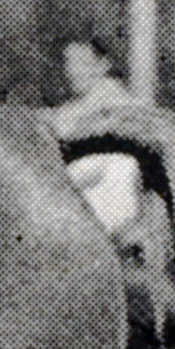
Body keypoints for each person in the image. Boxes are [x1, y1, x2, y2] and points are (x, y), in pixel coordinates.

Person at [57, 39, 144, 233]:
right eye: (69, 63)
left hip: (104, 180)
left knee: (121, 165)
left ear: (103, 65)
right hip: (72, 181)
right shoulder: (70, 109)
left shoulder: (116, 99)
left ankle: (117, 240)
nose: (72, 71)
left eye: (81, 63)